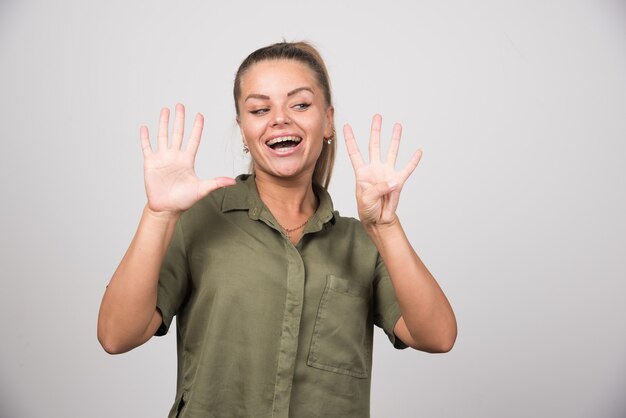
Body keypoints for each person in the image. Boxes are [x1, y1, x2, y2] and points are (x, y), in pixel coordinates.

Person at [97, 41, 456, 418]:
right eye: (259, 109)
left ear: (328, 120)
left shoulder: (362, 243)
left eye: (300, 104)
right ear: (242, 129)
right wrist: (158, 215)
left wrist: (386, 225)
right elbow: (116, 336)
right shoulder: (198, 221)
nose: (280, 119)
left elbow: (438, 336)